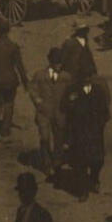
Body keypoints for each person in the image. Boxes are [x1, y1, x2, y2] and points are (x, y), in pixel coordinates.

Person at [62, 71, 109, 201]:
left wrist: (100, 125)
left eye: (88, 77)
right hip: (79, 133)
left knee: (97, 161)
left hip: (95, 133)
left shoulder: (99, 91)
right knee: (80, 163)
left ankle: (94, 179)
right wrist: (70, 102)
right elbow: (64, 107)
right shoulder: (72, 90)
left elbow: (105, 112)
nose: (86, 79)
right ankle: (83, 191)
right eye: (83, 77)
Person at [28, 47, 71, 177]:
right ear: (51, 62)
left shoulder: (66, 77)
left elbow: (70, 92)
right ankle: (46, 164)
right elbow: (32, 89)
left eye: (61, 62)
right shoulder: (40, 75)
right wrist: (37, 100)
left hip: (60, 113)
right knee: (45, 138)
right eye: (56, 62)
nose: (59, 65)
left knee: (59, 139)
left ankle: (57, 163)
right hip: (44, 113)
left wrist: (69, 102)